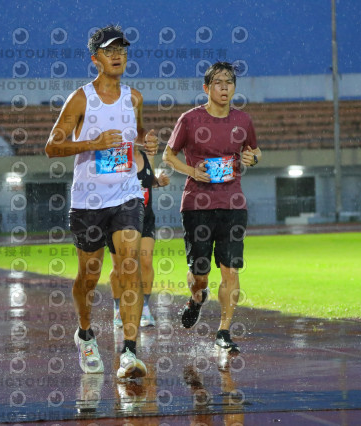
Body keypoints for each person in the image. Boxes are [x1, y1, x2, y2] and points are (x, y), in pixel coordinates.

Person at [45, 25, 158, 380]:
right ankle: (85, 333)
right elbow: (52, 146)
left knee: (129, 265)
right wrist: (91, 144)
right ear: (95, 59)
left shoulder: (134, 97)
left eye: (122, 50)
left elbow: (138, 132)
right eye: (110, 51)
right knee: (89, 275)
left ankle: (129, 351)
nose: (117, 56)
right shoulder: (81, 99)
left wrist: (146, 140)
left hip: (126, 193)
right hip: (88, 201)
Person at [162, 61, 262, 354]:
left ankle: (224, 331)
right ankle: (197, 297)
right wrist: (193, 171)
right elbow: (168, 155)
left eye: (229, 82)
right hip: (197, 205)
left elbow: (255, 150)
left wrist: (253, 158)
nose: (224, 88)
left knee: (230, 269)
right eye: (218, 82)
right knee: (200, 273)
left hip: (233, 203)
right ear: (206, 88)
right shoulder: (190, 119)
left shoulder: (243, 120)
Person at [109, 149, 169, 328]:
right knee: (120, 266)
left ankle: (144, 307)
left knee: (146, 261)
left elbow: (150, 180)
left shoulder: (145, 154)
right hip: (118, 219)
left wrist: (158, 181)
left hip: (144, 218)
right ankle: (118, 307)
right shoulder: (113, 155)